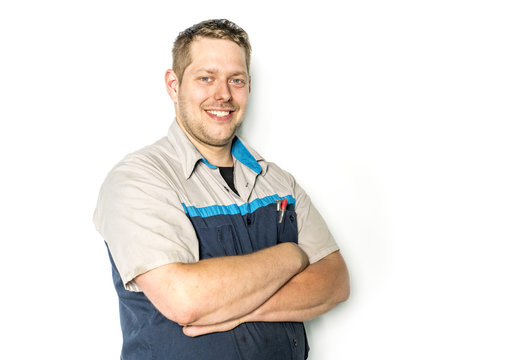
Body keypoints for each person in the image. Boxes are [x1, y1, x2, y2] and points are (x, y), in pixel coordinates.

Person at [94, 19, 349, 360]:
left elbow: (334, 283)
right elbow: (186, 301)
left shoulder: (279, 182)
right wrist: (293, 256)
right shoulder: (139, 179)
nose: (223, 94)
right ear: (173, 85)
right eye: (206, 78)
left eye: (236, 80)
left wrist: (233, 308)